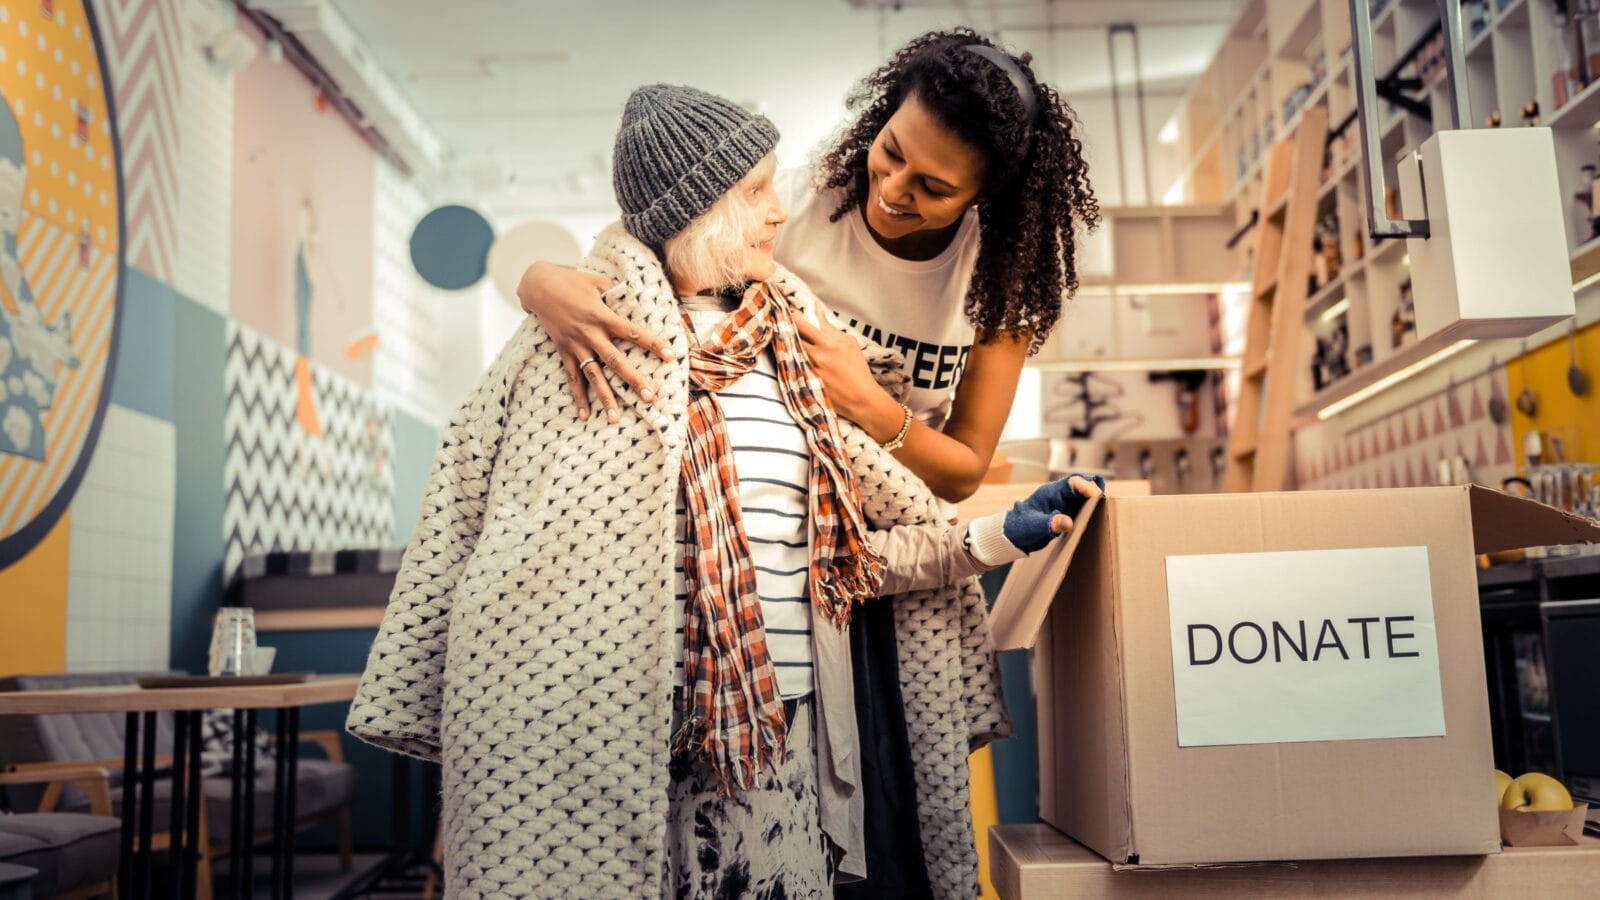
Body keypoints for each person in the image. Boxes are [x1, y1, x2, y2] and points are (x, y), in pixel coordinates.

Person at [348, 84, 1101, 898]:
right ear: (701, 210)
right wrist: (539, 280)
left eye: (933, 184)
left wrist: (991, 538)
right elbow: (477, 495)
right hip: (609, 726)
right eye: (754, 192)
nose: (780, 212)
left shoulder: (800, 358)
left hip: (784, 729)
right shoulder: (586, 349)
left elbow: (844, 555)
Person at [516, 28, 1099, 505]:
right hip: (761, 504)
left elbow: (962, 471)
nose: (892, 191)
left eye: (933, 187)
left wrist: (867, 401)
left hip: (889, 525)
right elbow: (649, 253)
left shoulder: (1001, 286)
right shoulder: (793, 207)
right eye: (892, 151)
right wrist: (539, 282)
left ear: (985, 193)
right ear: (884, 118)